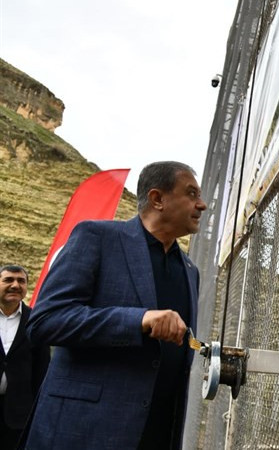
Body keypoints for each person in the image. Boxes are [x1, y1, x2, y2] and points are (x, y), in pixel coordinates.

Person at [23, 161, 207, 449]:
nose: (202, 205)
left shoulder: (190, 271)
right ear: (157, 199)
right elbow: (45, 321)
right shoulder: (96, 237)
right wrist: (138, 320)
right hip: (84, 432)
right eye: (192, 194)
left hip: (156, 434)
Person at [0, 265, 49, 450]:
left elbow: (42, 369)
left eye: (21, 281)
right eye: (8, 280)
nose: (15, 285)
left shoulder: (36, 320)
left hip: (18, 415)